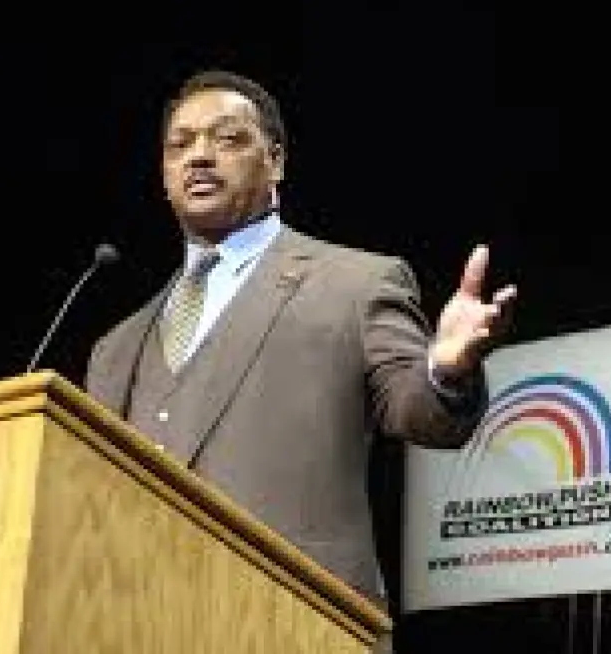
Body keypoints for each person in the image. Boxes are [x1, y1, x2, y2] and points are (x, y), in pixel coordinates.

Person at [84, 69, 515, 648]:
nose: (199, 156)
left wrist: (446, 370)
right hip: (133, 627)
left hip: (299, 625)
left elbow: (420, 411)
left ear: (276, 161)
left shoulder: (355, 284)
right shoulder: (115, 349)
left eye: (227, 139)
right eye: (179, 145)